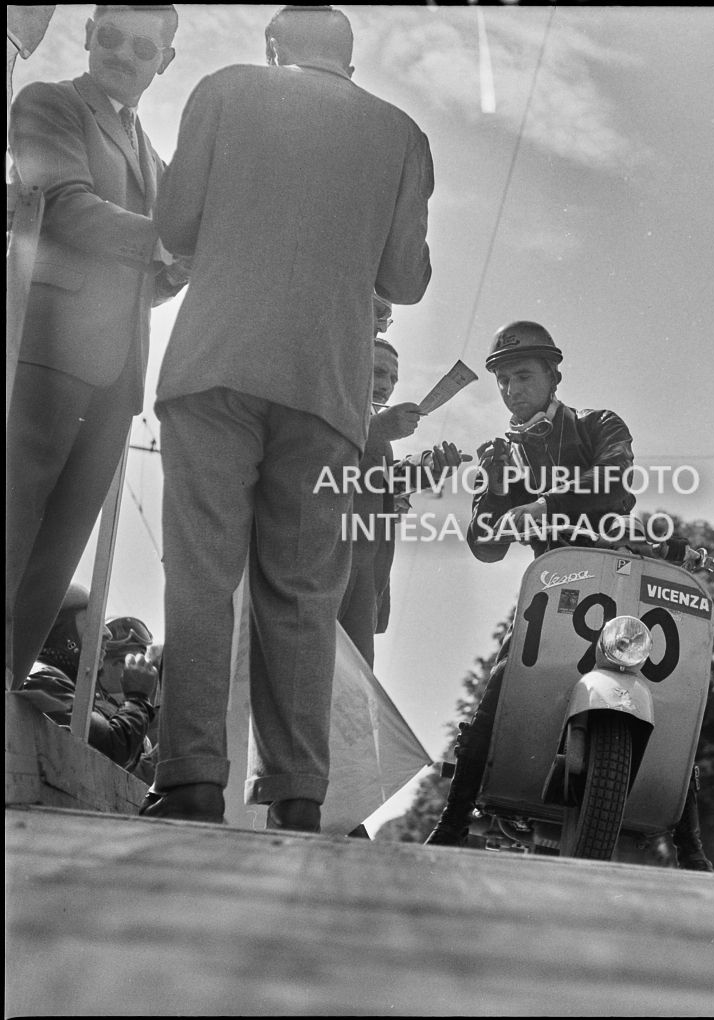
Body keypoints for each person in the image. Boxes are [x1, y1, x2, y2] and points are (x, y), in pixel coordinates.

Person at [142, 6, 433, 832]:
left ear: (273, 48)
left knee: (202, 573)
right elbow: (405, 279)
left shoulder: (225, 90)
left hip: (215, 364)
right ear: (350, 59)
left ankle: (194, 778)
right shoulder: (403, 134)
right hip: (327, 390)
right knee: (304, 591)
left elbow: (174, 225)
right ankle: (299, 792)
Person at [424, 321, 713, 870]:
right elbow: (484, 541)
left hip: (619, 575)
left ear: (554, 375)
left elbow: (615, 488)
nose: (512, 389)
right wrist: (492, 509)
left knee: (672, 688)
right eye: (503, 380)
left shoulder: (599, 423)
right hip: (555, 584)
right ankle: (453, 819)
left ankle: (691, 844)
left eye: (523, 375)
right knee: (501, 684)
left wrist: (539, 509)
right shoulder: (498, 452)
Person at [6, 4, 187, 690]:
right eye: (110, 36)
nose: (123, 54)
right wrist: (167, 244)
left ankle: (10, 681)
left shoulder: (152, 154)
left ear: (163, 62)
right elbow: (64, 204)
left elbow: (157, 276)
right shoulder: (48, 104)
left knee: (55, 553)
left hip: (116, 378)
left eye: (143, 47)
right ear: (86, 36)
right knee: (11, 521)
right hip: (42, 353)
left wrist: (179, 261)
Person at [338, 329, 466, 668]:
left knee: (353, 694)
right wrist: (379, 429)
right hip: (327, 572)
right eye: (379, 372)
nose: (386, 385)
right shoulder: (332, 412)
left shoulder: (372, 425)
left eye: (393, 378)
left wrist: (431, 468)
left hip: (363, 579)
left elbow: (384, 482)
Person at [20, 584, 159, 773]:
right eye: (93, 621)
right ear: (64, 631)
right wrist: (137, 699)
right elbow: (112, 748)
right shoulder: (43, 677)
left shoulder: (59, 681)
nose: (106, 634)